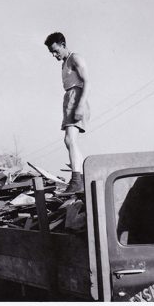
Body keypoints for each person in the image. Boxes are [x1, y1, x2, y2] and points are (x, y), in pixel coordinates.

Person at [44, 32, 90, 195]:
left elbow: (87, 81)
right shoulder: (64, 63)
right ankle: (83, 176)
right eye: (52, 53)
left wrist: (80, 105)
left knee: (70, 139)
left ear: (63, 45)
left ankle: (77, 180)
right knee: (69, 141)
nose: (54, 55)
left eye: (56, 51)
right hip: (69, 97)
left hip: (76, 97)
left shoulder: (75, 58)